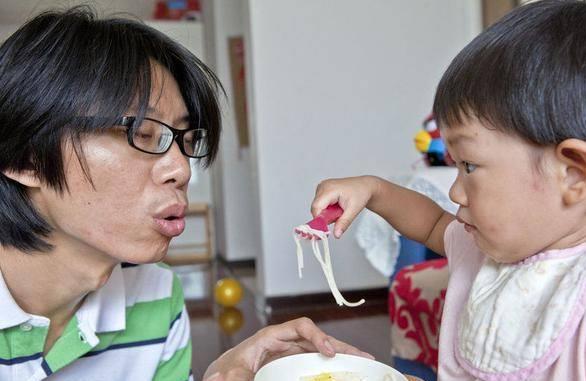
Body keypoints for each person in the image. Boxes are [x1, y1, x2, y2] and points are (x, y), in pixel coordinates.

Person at [0, 7, 376, 381]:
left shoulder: (157, 295)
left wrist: (221, 372)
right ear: (24, 157)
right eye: (141, 134)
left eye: (184, 139)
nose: (180, 169)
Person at [310, 1, 586, 380]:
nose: (455, 192)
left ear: (572, 174)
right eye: (455, 165)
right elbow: (430, 223)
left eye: (469, 166)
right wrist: (374, 191)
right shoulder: (484, 248)